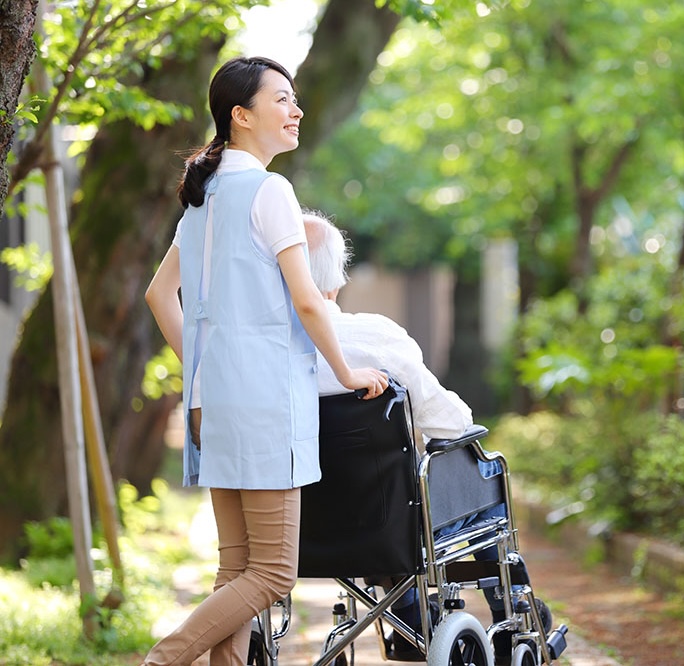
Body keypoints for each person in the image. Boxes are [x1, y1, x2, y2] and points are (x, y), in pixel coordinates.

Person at [142, 57, 388, 666]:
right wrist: (349, 372)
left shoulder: (205, 196)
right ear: (241, 115)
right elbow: (308, 299)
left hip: (213, 402)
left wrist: (203, 366)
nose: (296, 110)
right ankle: (160, 660)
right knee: (275, 573)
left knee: (236, 570)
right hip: (264, 404)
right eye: (282, 99)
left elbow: (157, 294)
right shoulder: (269, 190)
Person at [302, 212, 550, 664]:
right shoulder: (373, 337)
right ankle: (508, 608)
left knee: (383, 502)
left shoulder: (262, 351)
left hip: (301, 527)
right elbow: (450, 423)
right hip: (385, 517)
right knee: (482, 467)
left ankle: (413, 615)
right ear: (335, 278)